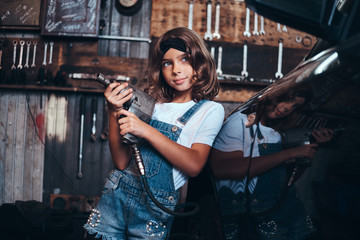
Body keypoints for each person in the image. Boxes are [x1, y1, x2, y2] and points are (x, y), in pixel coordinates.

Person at [84, 27, 225, 239]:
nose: (176, 70)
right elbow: (122, 163)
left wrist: (146, 130)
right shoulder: (152, 105)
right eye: (168, 63)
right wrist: (113, 111)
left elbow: (194, 165)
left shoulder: (210, 110)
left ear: (201, 62)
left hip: (154, 206)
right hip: (116, 196)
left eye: (185, 59)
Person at [209, 89, 334, 240]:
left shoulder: (277, 134)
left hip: (285, 207)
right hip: (257, 212)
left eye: (294, 106)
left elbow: (288, 181)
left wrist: (307, 152)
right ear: (274, 94)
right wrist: (291, 153)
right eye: (288, 99)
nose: (287, 107)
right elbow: (224, 169)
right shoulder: (241, 122)